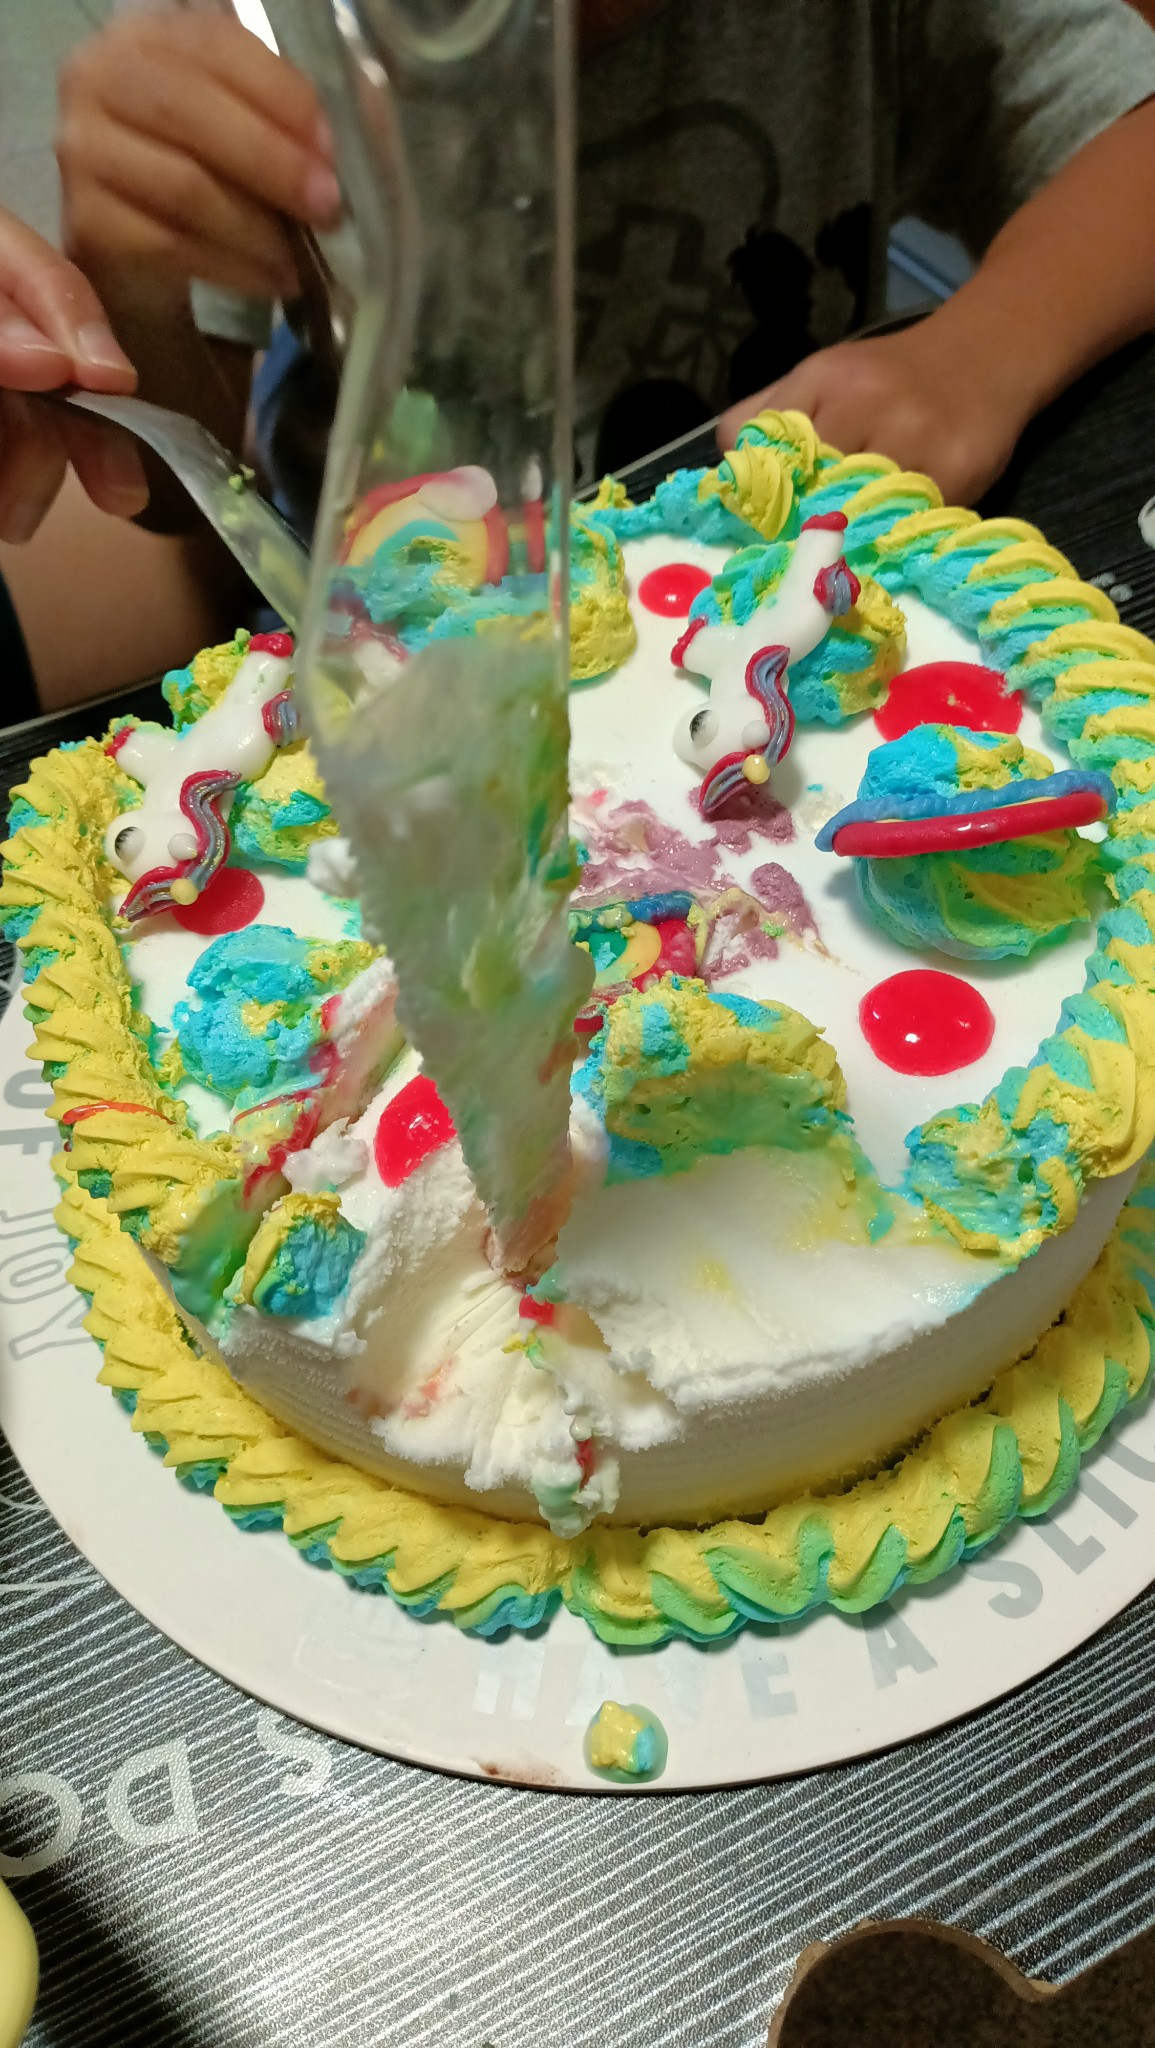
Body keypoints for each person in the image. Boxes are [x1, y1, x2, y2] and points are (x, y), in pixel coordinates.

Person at [50, 2, 1155, 541]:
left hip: (778, 574)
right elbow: (177, 499)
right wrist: (130, 290)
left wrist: (979, 350)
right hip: (407, 659)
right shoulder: (265, 40)